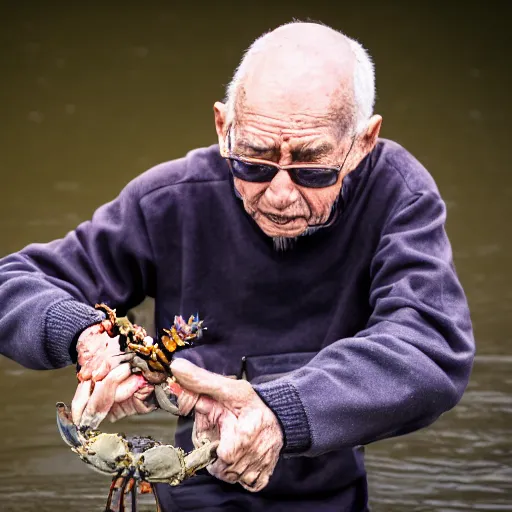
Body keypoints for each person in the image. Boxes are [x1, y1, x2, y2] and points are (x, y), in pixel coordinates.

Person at [0, 21, 474, 512]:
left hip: (329, 494)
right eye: (254, 160)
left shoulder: (399, 194)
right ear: (224, 127)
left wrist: (277, 411)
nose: (281, 194)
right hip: (191, 485)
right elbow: (11, 282)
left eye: (313, 167)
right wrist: (86, 335)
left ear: (363, 141)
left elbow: (430, 342)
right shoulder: (169, 200)